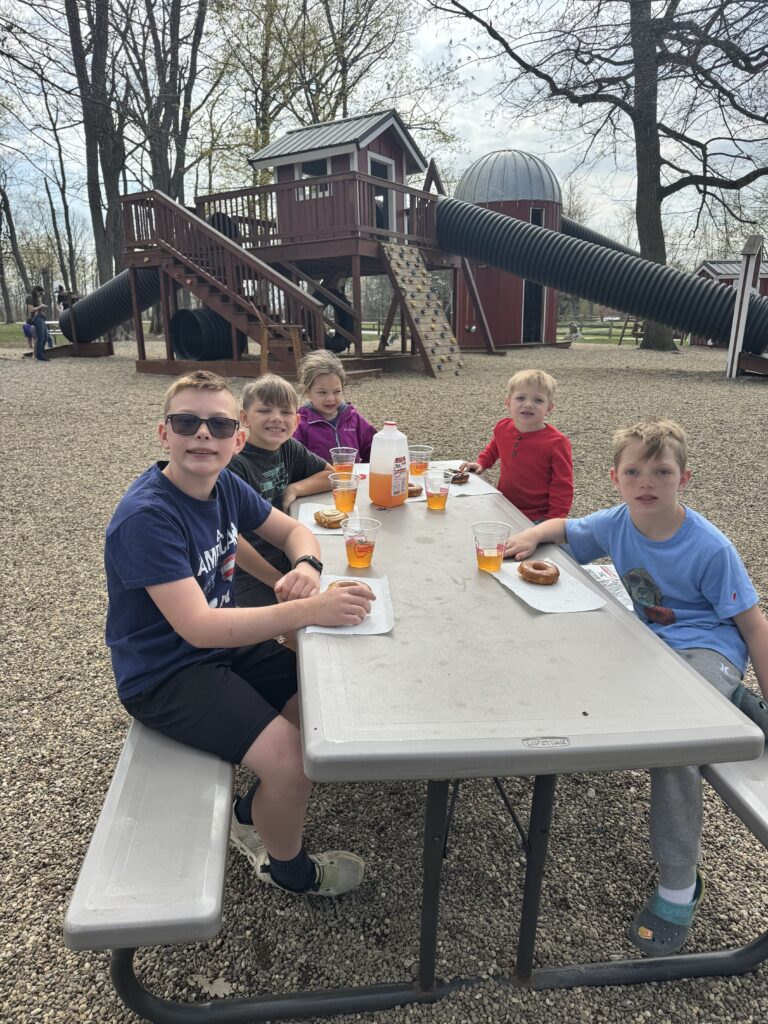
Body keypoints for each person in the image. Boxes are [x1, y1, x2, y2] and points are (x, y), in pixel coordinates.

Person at [504, 416, 768, 956]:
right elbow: (563, 529)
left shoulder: (710, 548)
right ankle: (736, 705)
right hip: (650, 646)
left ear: (683, 479)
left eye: (662, 471)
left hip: (706, 651)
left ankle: (679, 884)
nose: (647, 482)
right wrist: (529, 535)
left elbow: (752, 624)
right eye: (634, 472)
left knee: (674, 747)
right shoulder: (617, 522)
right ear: (616, 478)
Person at [104, 370, 374, 897]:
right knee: (294, 761)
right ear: (165, 434)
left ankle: (251, 810)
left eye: (218, 425)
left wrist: (307, 567)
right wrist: (310, 610)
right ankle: (287, 870)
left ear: (237, 438)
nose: (203, 434)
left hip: (217, 647)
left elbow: (294, 528)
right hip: (166, 674)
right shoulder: (147, 518)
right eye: (187, 422)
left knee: (319, 701)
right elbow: (199, 628)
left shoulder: (224, 482)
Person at [229, 373, 333, 611]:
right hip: (248, 573)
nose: (276, 418)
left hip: (286, 553)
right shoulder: (234, 462)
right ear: (245, 418)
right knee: (305, 619)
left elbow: (330, 474)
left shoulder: (288, 447)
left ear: (296, 421)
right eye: (265, 410)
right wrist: (277, 580)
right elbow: (232, 540)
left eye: (285, 412)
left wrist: (294, 489)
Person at [459, 369, 573, 521]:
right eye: (520, 398)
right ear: (508, 403)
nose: (528, 404)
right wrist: (482, 462)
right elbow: (495, 446)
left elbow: (562, 485)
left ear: (549, 408)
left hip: (539, 515)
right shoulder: (502, 427)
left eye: (538, 400)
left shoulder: (556, 443)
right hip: (505, 505)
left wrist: (555, 520)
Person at [293, 350, 376, 463]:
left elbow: (373, 449)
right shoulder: (300, 423)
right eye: (322, 392)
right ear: (308, 392)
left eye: (337, 391)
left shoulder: (352, 417)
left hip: (350, 478)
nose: (331, 399)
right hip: (317, 479)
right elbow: (293, 460)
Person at [26, 286, 53, 361]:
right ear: (36, 291)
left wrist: (42, 307)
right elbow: (31, 310)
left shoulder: (38, 298)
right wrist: (41, 306)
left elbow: (39, 308)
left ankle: (41, 352)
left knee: (45, 337)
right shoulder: (30, 297)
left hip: (41, 317)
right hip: (36, 319)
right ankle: (39, 355)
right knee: (40, 337)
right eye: (40, 293)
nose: (41, 295)